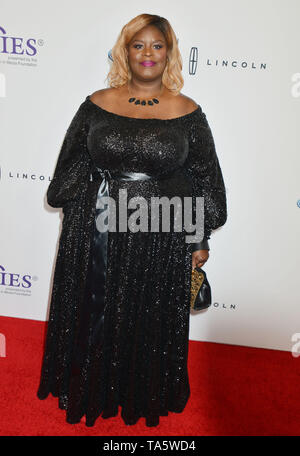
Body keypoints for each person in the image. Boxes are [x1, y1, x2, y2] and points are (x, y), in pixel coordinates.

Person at [37, 13, 227, 428]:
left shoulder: (188, 111)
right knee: (95, 311)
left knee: (145, 314)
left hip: (158, 230)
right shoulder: (97, 103)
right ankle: (88, 386)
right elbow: (70, 165)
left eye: (157, 45)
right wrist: (82, 202)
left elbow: (202, 179)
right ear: (126, 51)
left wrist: (198, 237)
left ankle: (137, 391)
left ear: (170, 53)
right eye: (138, 44)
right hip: (96, 225)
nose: (147, 54)